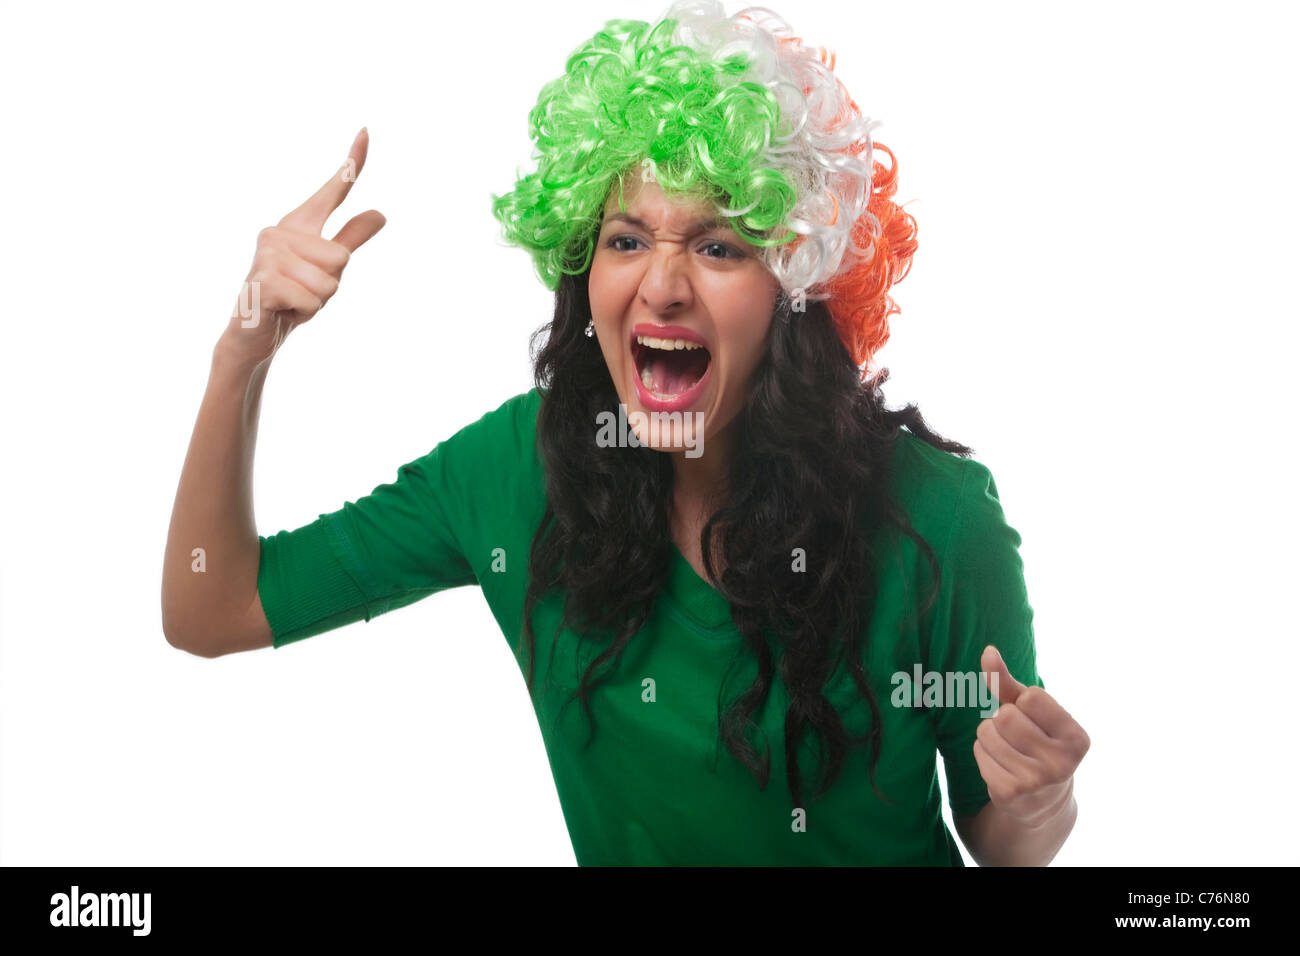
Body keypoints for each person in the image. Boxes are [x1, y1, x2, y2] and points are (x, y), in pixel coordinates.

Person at [162, 0, 1089, 866]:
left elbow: (1003, 838)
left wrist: (1040, 802)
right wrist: (241, 355)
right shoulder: (513, 473)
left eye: (720, 246)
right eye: (627, 239)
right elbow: (213, 608)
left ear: (797, 287)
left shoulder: (936, 515)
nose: (663, 285)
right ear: (583, 267)